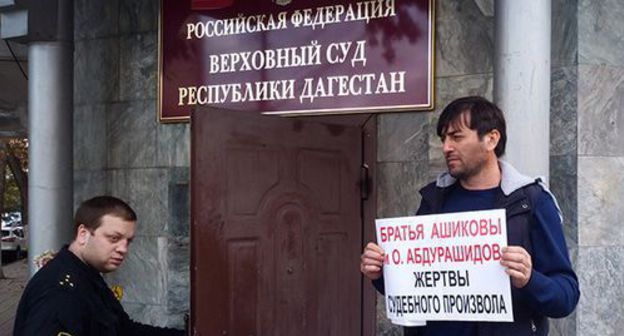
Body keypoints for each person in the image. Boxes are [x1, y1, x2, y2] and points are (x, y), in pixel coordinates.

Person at [360, 96, 579, 336]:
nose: (446, 147)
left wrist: (530, 280)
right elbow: (416, 289)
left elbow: (566, 296)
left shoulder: (531, 202)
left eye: (457, 137)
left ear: (491, 139)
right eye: (444, 139)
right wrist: (381, 273)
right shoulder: (434, 200)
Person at [14, 196, 184, 336]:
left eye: (128, 241)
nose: (123, 249)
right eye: (114, 238)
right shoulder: (61, 292)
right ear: (83, 234)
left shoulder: (87, 274)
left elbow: (124, 330)